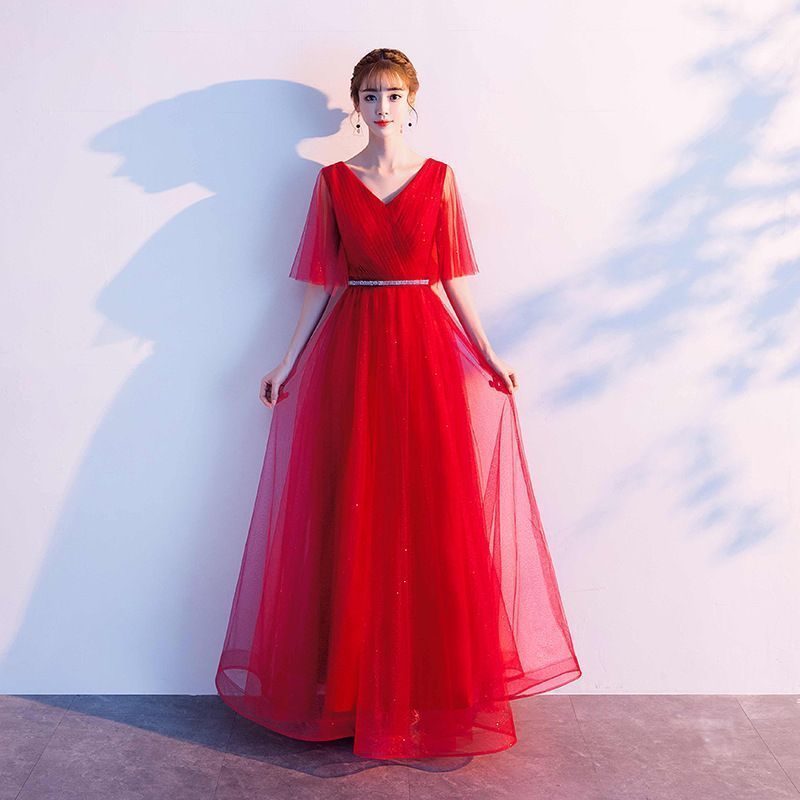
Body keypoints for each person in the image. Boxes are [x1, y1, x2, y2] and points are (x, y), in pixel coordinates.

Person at [215, 47, 581, 760]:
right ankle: (349, 691)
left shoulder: (439, 179)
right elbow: (321, 284)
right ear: (356, 104)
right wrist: (287, 361)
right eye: (370, 95)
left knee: (430, 509)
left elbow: (453, 278)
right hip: (352, 354)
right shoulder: (332, 182)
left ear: (413, 102)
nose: (382, 107)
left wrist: (489, 352)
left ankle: (431, 688)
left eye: (392, 94)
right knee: (351, 509)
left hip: (424, 354)